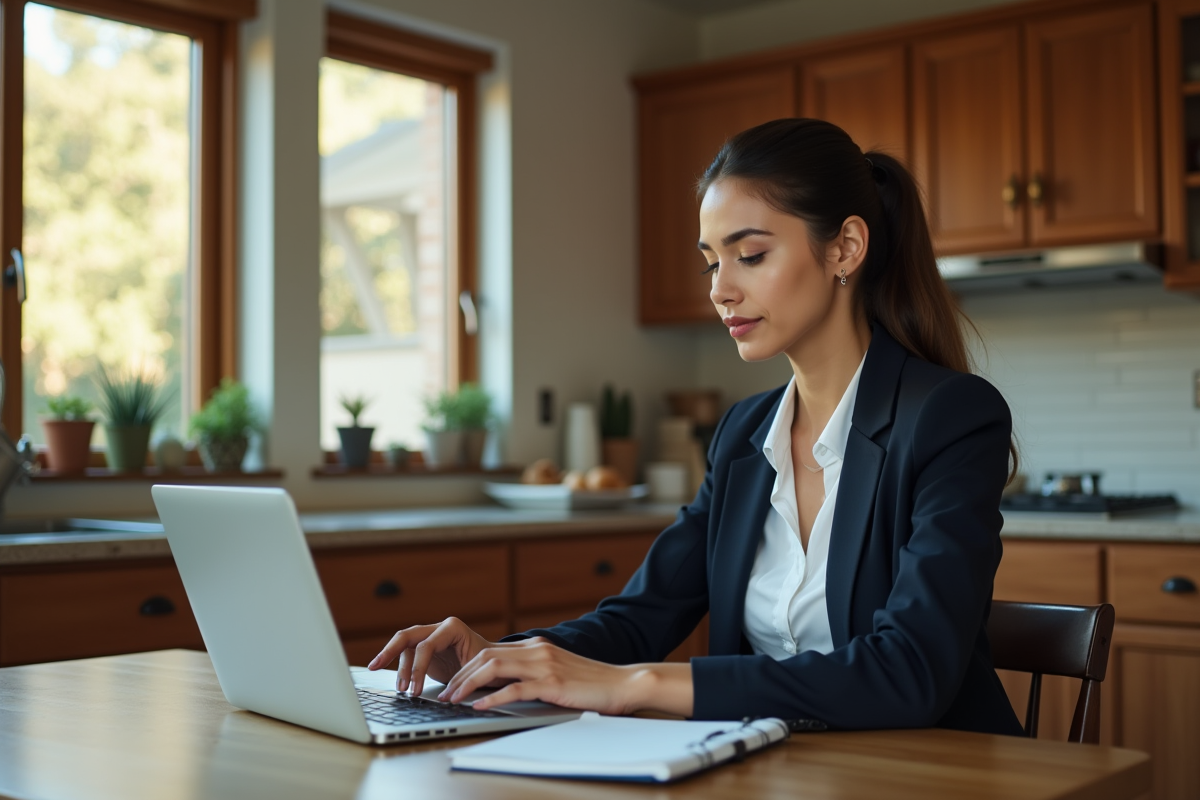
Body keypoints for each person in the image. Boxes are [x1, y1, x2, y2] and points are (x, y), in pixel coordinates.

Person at [368, 118, 1024, 736]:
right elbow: (640, 617)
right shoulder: (744, 435)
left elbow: (910, 671)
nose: (720, 289)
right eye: (713, 261)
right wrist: (501, 657)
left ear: (845, 248)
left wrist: (638, 686)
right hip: (775, 773)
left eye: (751, 255)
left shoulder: (950, 416)